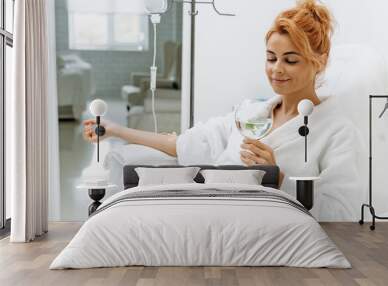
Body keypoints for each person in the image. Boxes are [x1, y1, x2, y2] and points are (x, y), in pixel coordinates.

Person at [83, 0, 365, 221]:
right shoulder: (250, 115)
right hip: (211, 209)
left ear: (320, 61)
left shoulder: (337, 131)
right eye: (271, 58)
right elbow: (183, 144)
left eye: (290, 60)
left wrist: (279, 180)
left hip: (265, 226)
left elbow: (344, 214)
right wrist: (115, 130)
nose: (276, 69)